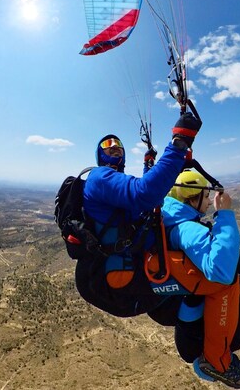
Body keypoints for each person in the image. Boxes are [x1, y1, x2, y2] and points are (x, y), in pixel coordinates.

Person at [74, 112, 201, 321]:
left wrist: (148, 165)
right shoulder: (99, 177)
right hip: (112, 282)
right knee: (201, 281)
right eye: (108, 145)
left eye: (119, 145)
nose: (114, 146)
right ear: (100, 154)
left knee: (174, 304)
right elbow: (143, 193)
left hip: (118, 274)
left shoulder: (111, 182)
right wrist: (179, 142)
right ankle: (214, 350)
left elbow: (139, 201)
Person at [161, 169, 240, 388]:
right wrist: (224, 214)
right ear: (191, 198)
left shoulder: (170, 217)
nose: (208, 202)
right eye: (205, 197)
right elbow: (222, 271)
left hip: (188, 322)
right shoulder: (186, 229)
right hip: (197, 331)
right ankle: (221, 363)